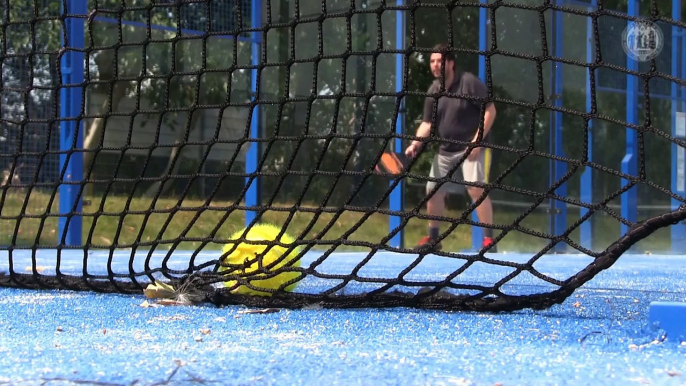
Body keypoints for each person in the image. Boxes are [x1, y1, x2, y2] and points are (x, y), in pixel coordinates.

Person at [405, 43, 497, 252]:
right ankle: (433, 239)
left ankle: (489, 241)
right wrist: (415, 143)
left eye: (440, 60)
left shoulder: (469, 83)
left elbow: (490, 111)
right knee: (433, 190)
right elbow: (427, 124)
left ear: (450, 63)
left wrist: (477, 141)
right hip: (446, 150)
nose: (436, 65)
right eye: (432, 61)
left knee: (476, 188)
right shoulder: (433, 91)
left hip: (473, 149)